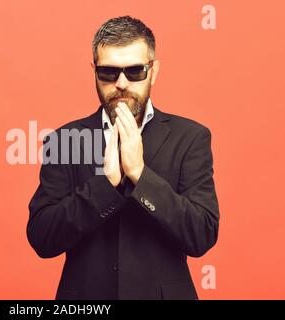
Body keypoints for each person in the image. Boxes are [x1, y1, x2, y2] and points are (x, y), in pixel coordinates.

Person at [27, 16, 220, 300]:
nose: (121, 83)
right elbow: (43, 237)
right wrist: (106, 186)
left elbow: (201, 234)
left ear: (153, 71)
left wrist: (141, 175)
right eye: (108, 72)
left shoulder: (190, 137)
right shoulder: (63, 140)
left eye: (135, 71)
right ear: (94, 71)